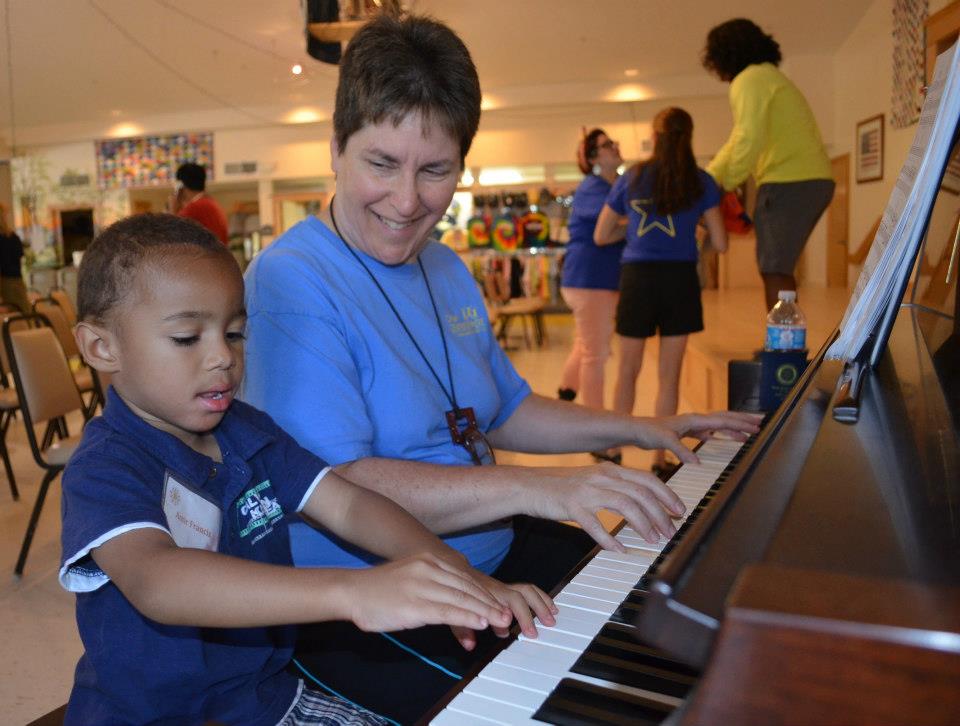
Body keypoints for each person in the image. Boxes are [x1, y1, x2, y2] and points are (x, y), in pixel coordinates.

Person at [242, 13, 760, 723]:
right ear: (335, 149)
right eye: (381, 164)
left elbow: (507, 407)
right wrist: (535, 489)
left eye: (435, 171)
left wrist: (647, 425)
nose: (407, 201)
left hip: (493, 553)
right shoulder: (291, 281)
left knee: (674, 619)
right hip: (374, 601)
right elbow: (340, 485)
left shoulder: (444, 265)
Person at [61, 213, 553, 725]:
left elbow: (347, 504)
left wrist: (455, 575)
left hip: (262, 697)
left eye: (234, 333)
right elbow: (156, 580)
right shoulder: (105, 466)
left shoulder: (247, 431)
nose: (222, 358)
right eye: (187, 337)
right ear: (101, 347)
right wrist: (353, 591)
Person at [595, 107, 728, 478]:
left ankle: (614, 450)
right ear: (690, 137)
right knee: (670, 376)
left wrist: (636, 229)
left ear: (654, 137)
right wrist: (695, 228)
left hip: (638, 278)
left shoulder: (632, 177)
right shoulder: (701, 181)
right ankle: (661, 458)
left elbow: (601, 235)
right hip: (679, 280)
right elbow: (720, 242)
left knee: (627, 371)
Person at [702, 18, 834, 311]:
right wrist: (710, 177)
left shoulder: (749, 80)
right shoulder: (766, 77)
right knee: (777, 265)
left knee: (775, 267)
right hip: (805, 178)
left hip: (790, 180)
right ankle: (783, 345)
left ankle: (783, 349)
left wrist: (724, 184)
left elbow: (749, 137)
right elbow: (740, 137)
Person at [557, 128, 625, 463]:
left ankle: (566, 389)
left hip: (594, 280)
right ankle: (598, 437)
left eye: (614, 143)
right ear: (594, 158)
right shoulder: (592, 188)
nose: (615, 147)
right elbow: (606, 231)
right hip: (589, 280)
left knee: (586, 344)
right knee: (595, 354)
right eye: (607, 145)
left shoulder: (611, 187)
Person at [170, 161, 230, 245]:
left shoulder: (194, 208)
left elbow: (172, 236)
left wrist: (173, 208)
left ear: (181, 185)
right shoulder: (209, 202)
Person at [0, 204, 30, 313]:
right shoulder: (14, 237)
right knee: (24, 313)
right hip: (18, 281)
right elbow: (20, 260)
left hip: (5, 284)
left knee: (14, 318)